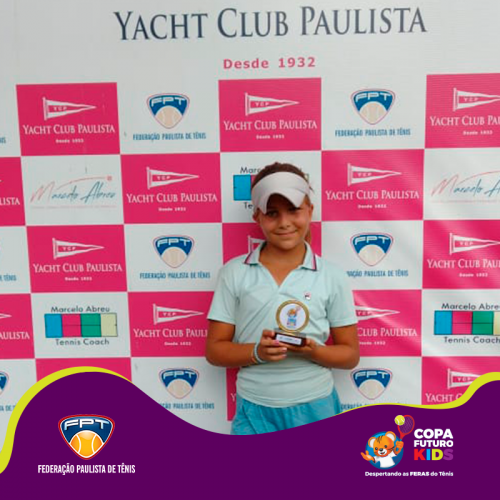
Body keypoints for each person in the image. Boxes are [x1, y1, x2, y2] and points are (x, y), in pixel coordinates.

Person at [206, 162, 359, 434]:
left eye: (294, 209)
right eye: (272, 213)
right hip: (254, 409)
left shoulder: (332, 275)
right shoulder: (234, 272)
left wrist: (315, 351)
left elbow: (350, 355)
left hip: (316, 406)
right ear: (257, 216)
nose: (284, 222)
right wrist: (257, 352)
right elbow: (215, 351)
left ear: (310, 210)